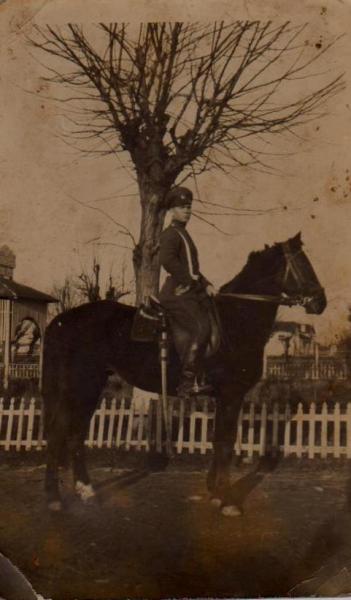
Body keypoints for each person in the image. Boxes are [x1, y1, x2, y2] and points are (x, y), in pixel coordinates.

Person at [159, 185, 217, 398]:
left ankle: (203, 374)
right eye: (182, 207)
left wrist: (207, 284)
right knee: (201, 326)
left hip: (187, 289)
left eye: (189, 207)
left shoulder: (183, 234)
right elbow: (167, 260)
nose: (187, 211)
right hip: (175, 293)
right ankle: (187, 381)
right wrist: (191, 282)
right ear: (171, 210)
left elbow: (193, 271)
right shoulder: (170, 234)